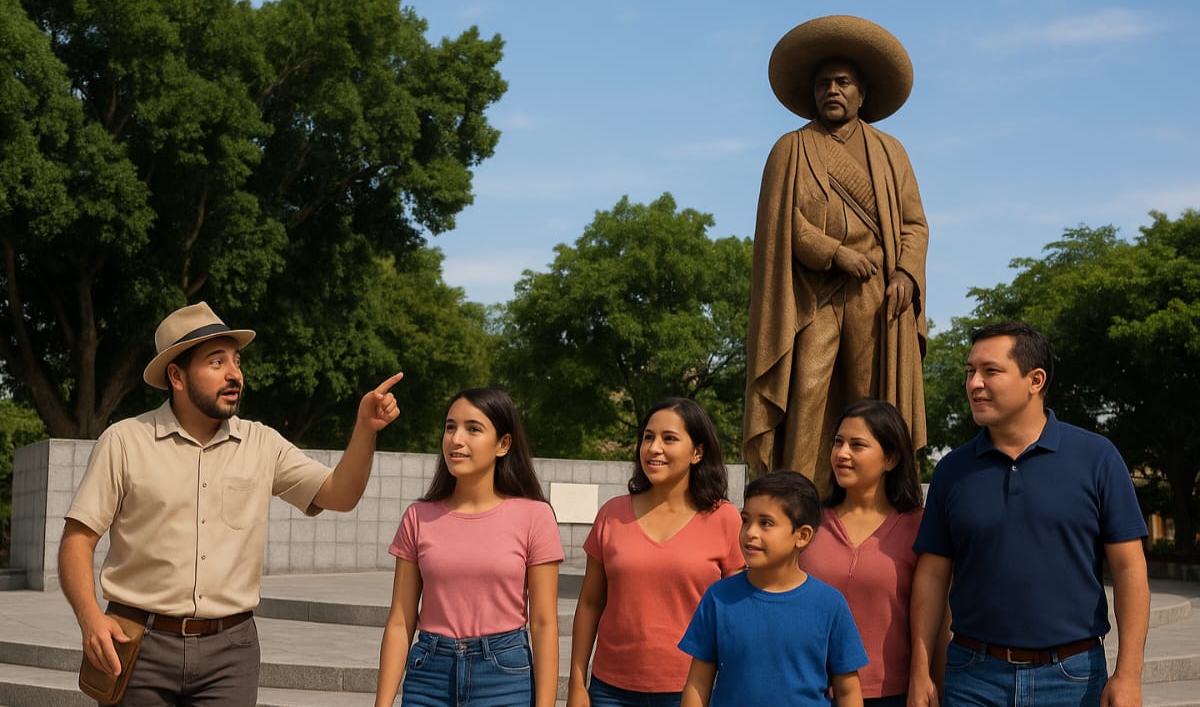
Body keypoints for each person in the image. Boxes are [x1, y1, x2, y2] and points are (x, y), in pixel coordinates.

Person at [59, 301, 402, 705]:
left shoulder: (262, 444)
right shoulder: (124, 442)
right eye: (216, 362)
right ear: (177, 375)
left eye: (236, 361)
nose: (234, 373)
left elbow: (339, 495)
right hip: (138, 646)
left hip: (230, 654)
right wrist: (90, 619)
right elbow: (76, 542)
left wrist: (365, 429)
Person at [908, 322, 1150, 707]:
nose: (974, 383)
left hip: (1073, 677)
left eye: (990, 371)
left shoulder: (1097, 457)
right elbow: (932, 575)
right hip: (972, 676)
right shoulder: (952, 470)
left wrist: (1128, 674)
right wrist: (920, 672)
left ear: (1035, 380)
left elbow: (1129, 569)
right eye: (970, 371)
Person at [744, 15, 929, 487]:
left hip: (875, 295)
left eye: (843, 82)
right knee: (806, 394)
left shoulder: (891, 153)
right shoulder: (791, 149)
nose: (833, 90)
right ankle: (795, 494)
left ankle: (871, 498)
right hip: (813, 298)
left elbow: (914, 225)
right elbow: (782, 227)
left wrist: (906, 273)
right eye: (824, 82)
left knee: (869, 403)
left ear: (861, 93)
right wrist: (834, 252)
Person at [375, 388, 563, 707]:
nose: (456, 439)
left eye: (473, 429)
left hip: (505, 676)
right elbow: (400, 619)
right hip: (429, 676)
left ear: (503, 444)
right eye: (450, 427)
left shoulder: (535, 516)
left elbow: (544, 623)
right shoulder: (418, 517)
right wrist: (382, 703)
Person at [568, 398, 745, 707]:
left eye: (669, 438)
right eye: (648, 437)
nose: (654, 447)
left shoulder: (725, 519)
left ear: (697, 452)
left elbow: (737, 614)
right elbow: (590, 603)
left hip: (692, 690)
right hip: (610, 691)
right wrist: (576, 684)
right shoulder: (612, 514)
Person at [679, 471, 867, 707]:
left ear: (802, 536)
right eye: (746, 520)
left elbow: (848, 691)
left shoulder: (830, 604)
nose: (750, 532)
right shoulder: (719, 598)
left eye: (766, 523)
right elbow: (698, 683)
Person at [800, 399, 926, 707]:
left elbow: (932, 618)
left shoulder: (919, 525)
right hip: (809, 691)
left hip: (889, 694)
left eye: (857, 445)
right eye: (838, 443)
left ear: (891, 458)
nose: (842, 454)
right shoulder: (807, 521)